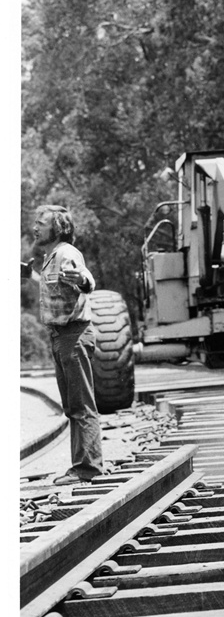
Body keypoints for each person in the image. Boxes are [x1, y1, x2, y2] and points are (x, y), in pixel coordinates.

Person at [21, 205, 104, 485]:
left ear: (58, 228)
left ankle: (88, 468)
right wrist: (28, 276)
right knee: (72, 406)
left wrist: (83, 280)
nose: (35, 227)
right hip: (61, 337)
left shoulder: (67, 253)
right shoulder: (49, 257)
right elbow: (55, 289)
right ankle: (82, 465)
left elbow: (85, 279)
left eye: (41, 223)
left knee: (81, 405)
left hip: (74, 336)